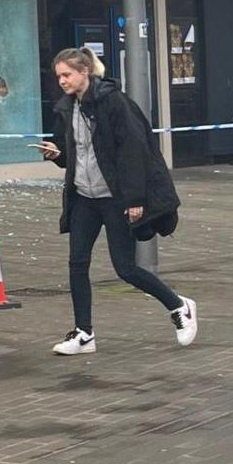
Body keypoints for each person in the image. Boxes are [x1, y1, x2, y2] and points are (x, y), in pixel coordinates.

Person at [39, 48, 197, 355]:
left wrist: (135, 198)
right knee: (77, 263)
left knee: (126, 268)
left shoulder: (113, 102)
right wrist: (58, 155)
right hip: (84, 196)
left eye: (67, 74)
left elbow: (132, 150)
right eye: (58, 76)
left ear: (85, 72)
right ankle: (84, 334)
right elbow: (81, 153)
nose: (61, 81)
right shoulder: (68, 107)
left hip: (114, 198)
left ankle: (179, 306)